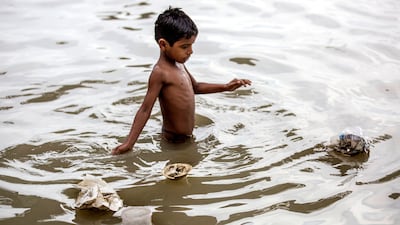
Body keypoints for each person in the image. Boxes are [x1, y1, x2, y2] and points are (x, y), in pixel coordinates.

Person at [112, 7, 251, 155]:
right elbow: (146, 109)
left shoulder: (179, 64)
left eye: (191, 45)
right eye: (185, 46)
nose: (190, 51)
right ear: (163, 44)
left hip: (186, 138)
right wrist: (129, 143)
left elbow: (196, 87)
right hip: (174, 141)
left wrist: (225, 87)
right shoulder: (160, 73)